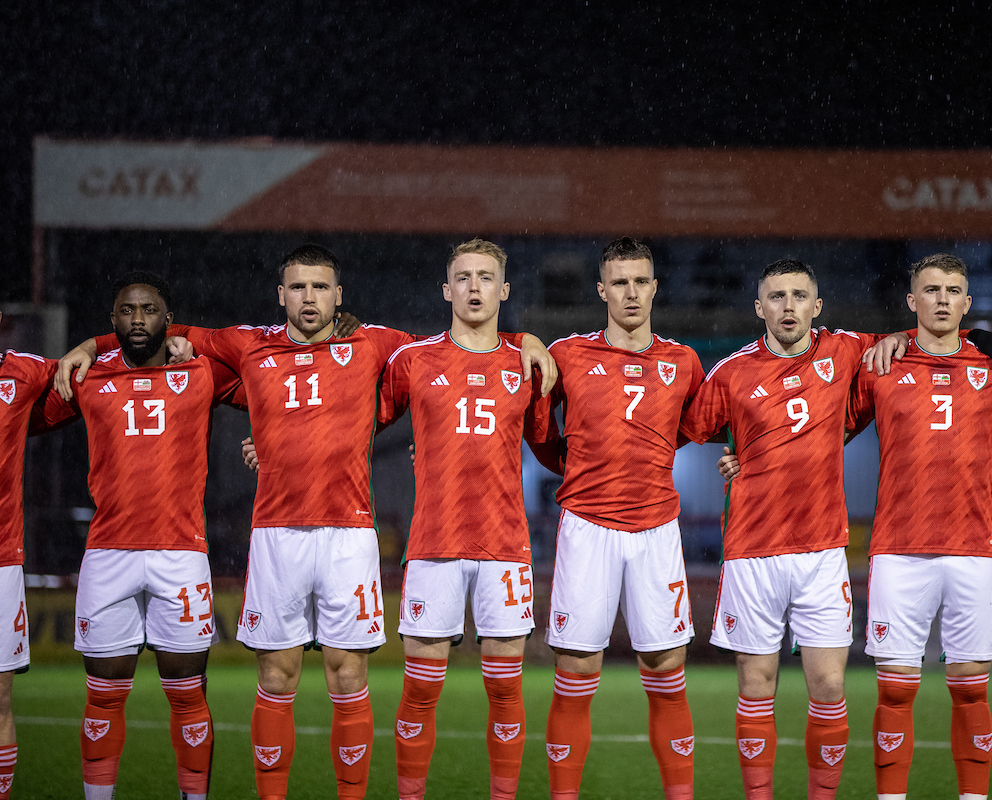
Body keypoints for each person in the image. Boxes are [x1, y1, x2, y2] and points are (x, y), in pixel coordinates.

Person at [54, 245, 556, 800]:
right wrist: (90, 346)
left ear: (339, 296)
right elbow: (151, 327)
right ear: (281, 295)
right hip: (275, 535)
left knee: (348, 676)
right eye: (298, 288)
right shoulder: (250, 343)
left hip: (349, 535)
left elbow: (461, 345)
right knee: (276, 677)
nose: (309, 298)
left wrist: (524, 341)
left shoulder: (376, 344)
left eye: (320, 288)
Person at [679, 258, 901, 800]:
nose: (788, 306)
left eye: (799, 296)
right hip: (752, 551)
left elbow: (905, 340)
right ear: (759, 308)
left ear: (817, 306)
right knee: (757, 686)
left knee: (828, 686)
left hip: (822, 550)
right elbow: (686, 427)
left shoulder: (847, 350)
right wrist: (734, 452)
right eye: (776, 297)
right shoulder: (730, 373)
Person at [37, 271, 243, 800]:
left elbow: (263, 362)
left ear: (167, 319)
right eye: (126, 312)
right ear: (112, 320)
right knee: (103, 696)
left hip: (181, 555)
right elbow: (24, 411)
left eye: (148, 310)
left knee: (188, 694)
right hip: (108, 556)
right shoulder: (85, 376)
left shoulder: (200, 373)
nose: (137, 320)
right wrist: (88, 349)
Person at [845, 254, 992, 800]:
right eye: (931, 290)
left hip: (973, 548)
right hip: (899, 551)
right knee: (895, 694)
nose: (943, 299)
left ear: (968, 303)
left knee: (972, 692)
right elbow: (825, 430)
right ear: (912, 301)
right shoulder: (881, 364)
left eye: (954, 290)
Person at [379, 240, 552, 800]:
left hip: (504, 547)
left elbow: (552, 448)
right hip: (433, 546)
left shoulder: (524, 363)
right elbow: (352, 420)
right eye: (462, 277)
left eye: (485, 277)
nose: (474, 287)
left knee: (506, 693)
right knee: (419, 693)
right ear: (446, 290)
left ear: (504, 290)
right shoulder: (414, 360)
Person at [535, 237, 703, 800]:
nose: (631, 292)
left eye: (641, 281)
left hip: (657, 528)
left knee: (665, 666)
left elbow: (692, 427)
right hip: (587, 526)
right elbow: (537, 428)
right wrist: (574, 466)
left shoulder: (683, 362)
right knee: (578, 668)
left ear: (655, 287)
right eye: (620, 282)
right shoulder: (566, 354)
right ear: (602, 289)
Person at [0, 312, 64, 799]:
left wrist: (84, 349)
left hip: (2, 559)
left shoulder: (21, 372)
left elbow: (85, 373)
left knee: (0, 699)